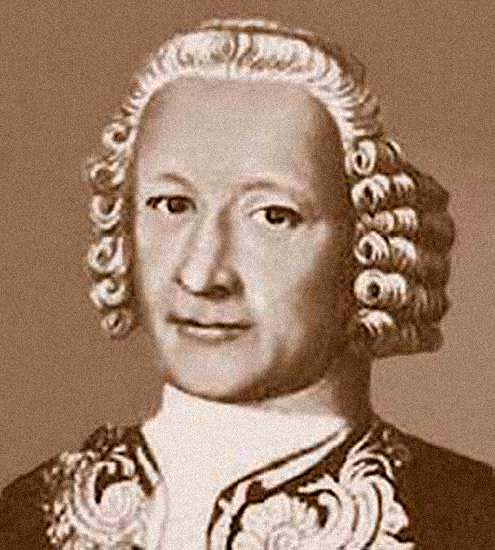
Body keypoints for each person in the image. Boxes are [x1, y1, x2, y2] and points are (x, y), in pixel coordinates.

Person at [0, 18, 493, 550]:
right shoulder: (29, 517)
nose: (203, 275)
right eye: (171, 205)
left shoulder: (467, 518)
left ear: (366, 242)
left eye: (273, 216)